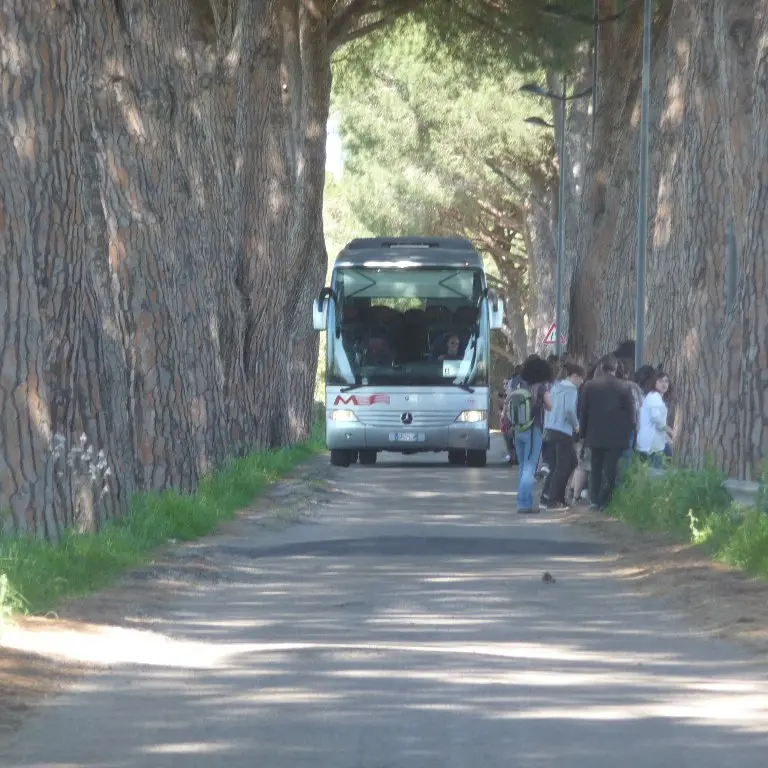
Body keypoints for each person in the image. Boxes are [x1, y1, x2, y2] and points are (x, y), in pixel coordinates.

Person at [579, 354, 636, 510]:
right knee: (611, 470)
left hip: (595, 434)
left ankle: (594, 500)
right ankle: (605, 499)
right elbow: (631, 415)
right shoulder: (624, 387)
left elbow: (583, 412)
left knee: (595, 468)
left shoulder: (589, 386)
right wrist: (630, 433)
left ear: (601, 367)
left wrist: (582, 434)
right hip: (616, 437)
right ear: (615, 368)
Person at [509, 357, 553, 514]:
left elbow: (509, 400)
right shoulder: (541, 387)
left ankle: (522, 500)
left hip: (518, 428)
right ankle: (524, 503)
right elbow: (550, 405)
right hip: (534, 428)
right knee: (530, 466)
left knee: (523, 465)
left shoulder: (519, 383)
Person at [540, 362, 585, 510]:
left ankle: (548, 497)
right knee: (563, 465)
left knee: (567, 463)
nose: (582, 382)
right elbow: (569, 410)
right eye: (581, 379)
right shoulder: (571, 389)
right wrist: (576, 425)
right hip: (562, 431)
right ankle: (554, 500)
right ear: (574, 376)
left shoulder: (556, 387)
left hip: (550, 429)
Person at [636, 370, 673, 467]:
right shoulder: (654, 397)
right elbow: (656, 418)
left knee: (669, 455)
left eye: (666, 381)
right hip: (652, 442)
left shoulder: (657, 397)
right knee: (656, 472)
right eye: (660, 381)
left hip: (658, 440)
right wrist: (669, 430)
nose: (664, 384)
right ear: (655, 382)